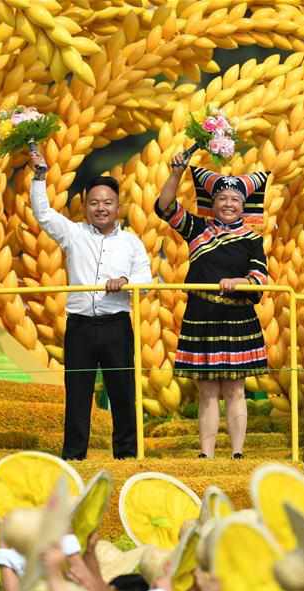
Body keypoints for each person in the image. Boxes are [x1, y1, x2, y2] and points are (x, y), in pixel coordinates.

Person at [29, 147, 152, 460]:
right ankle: (73, 456)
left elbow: (147, 282)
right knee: (78, 394)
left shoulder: (131, 243)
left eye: (107, 203)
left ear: (118, 206)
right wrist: (40, 177)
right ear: (85, 206)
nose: (101, 208)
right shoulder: (73, 234)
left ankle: (126, 455)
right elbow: (43, 214)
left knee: (123, 392)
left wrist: (126, 283)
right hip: (80, 326)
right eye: (94, 203)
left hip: (116, 326)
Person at [155, 150, 270, 459]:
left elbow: (261, 278)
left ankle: (236, 453)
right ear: (213, 203)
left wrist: (239, 282)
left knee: (235, 389)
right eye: (222, 198)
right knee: (207, 390)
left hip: (237, 319)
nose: (228, 203)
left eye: (235, 199)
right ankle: (205, 454)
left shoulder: (252, 238)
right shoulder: (197, 229)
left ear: (244, 205)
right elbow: (164, 207)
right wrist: (177, 173)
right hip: (202, 315)